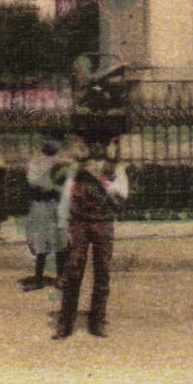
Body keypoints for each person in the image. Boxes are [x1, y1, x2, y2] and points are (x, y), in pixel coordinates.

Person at [52, 138, 130, 339]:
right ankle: (65, 324)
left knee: (102, 271)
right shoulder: (76, 169)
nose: (96, 147)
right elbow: (67, 195)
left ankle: (97, 322)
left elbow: (123, 193)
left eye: (100, 144)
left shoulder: (113, 169)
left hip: (103, 222)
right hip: (79, 222)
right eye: (92, 143)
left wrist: (106, 183)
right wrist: (63, 225)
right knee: (73, 272)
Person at [21, 139, 67, 290]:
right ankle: (39, 278)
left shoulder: (62, 163)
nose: (52, 145)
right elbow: (33, 182)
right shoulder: (35, 163)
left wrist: (54, 188)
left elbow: (66, 185)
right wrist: (50, 186)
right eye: (49, 141)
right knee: (41, 239)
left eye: (55, 141)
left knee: (60, 239)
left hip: (57, 203)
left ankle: (61, 277)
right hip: (40, 203)